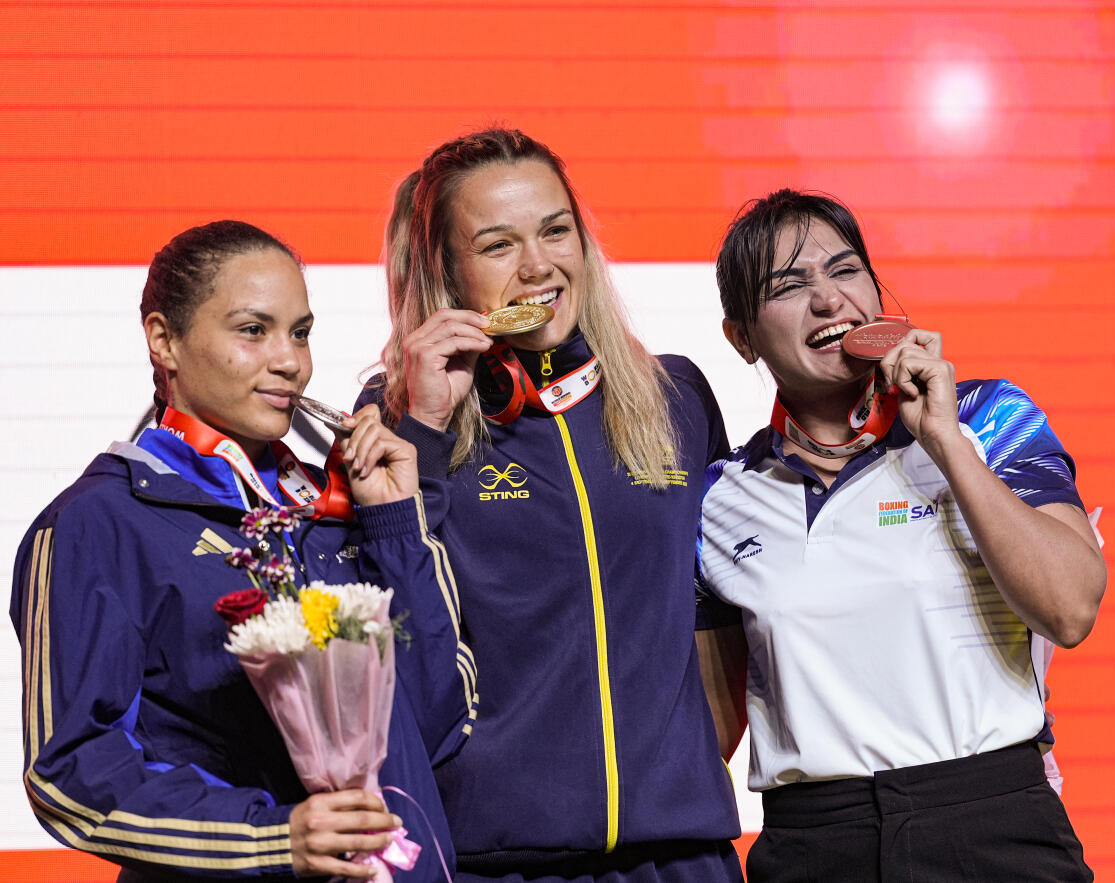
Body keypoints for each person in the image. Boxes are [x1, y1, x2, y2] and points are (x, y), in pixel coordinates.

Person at [10, 220, 476, 881]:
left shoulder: (334, 507)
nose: (290, 360)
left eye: (301, 332)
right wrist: (272, 839)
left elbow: (440, 722)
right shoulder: (100, 521)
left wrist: (396, 522)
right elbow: (70, 774)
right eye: (253, 330)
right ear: (164, 340)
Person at [355, 128, 743, 881]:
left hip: (681, 855)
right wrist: (427, 432)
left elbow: (713, 614)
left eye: (556, 230)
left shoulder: (676, 396)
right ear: (445, 269)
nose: (539, 264)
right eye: (498, 245)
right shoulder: (398, 419)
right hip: (496, 860)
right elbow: (386, 634)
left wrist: (681, 771)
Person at [697, 190, 1106, 882]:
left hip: (992, 827)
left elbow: (1070, 608)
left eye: (846, 270)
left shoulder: (986, 416)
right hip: (812, 846)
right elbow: (709, 729)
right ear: (741, 338)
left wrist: (944, 441)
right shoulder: (722, 496)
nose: (830, 300)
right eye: (790, 285)